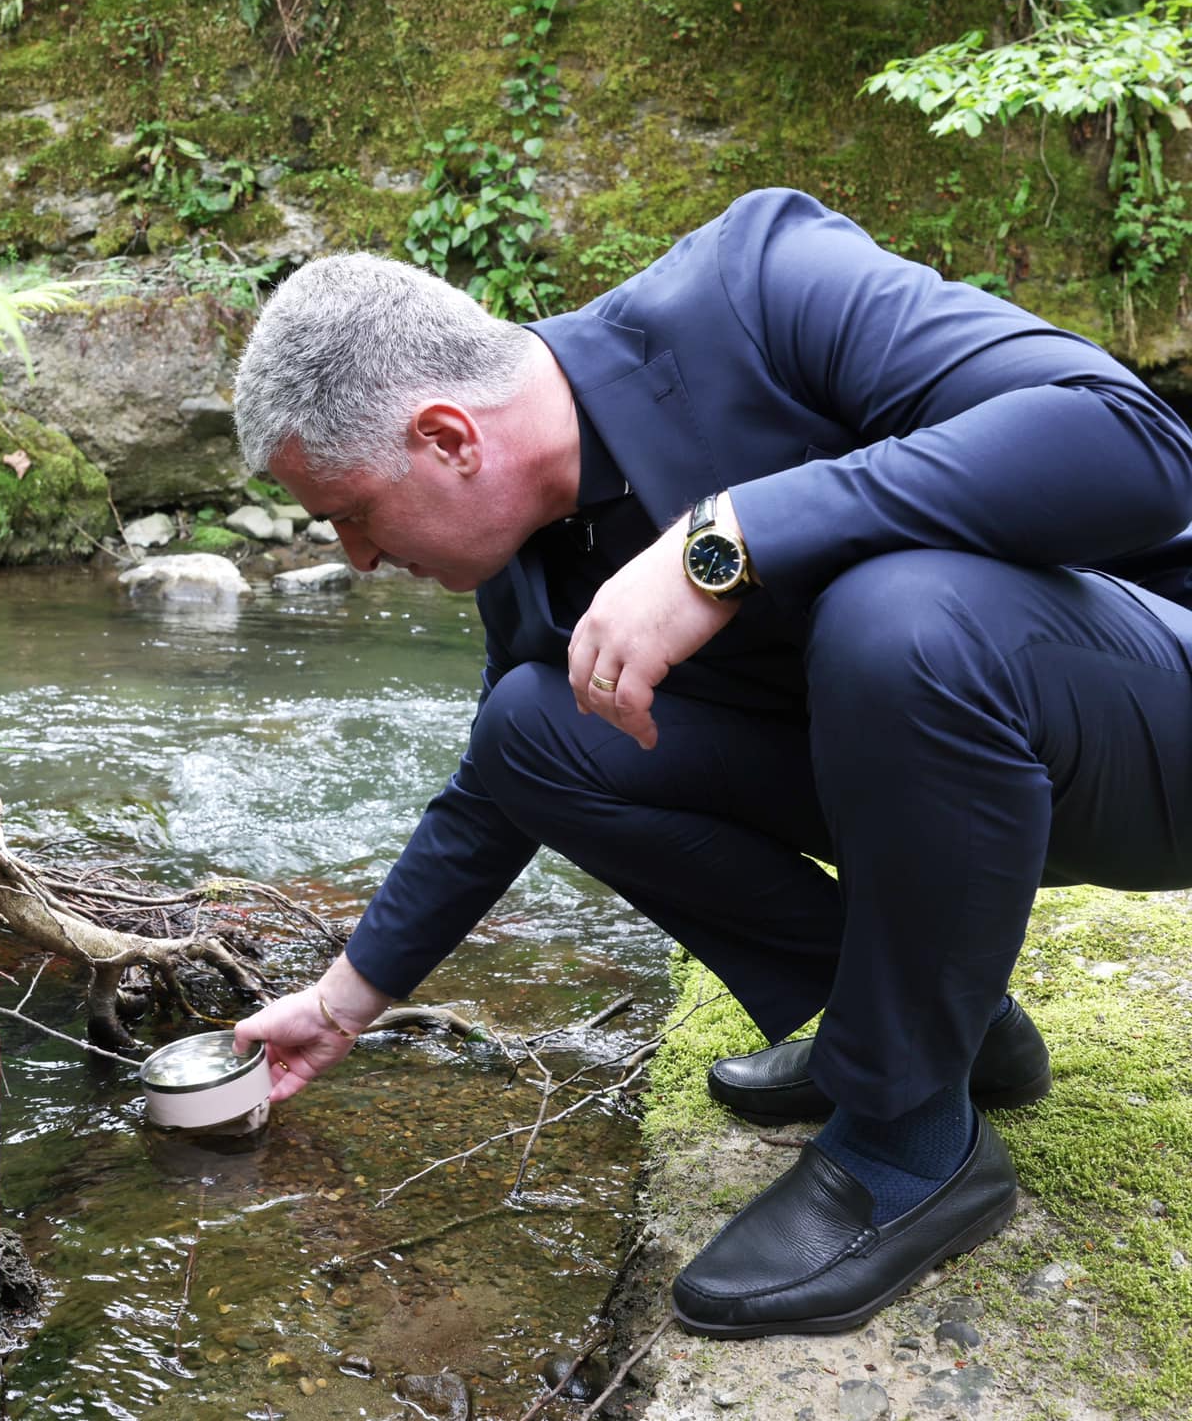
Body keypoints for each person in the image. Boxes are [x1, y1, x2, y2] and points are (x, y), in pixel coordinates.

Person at [228, 187, 1192, 1337]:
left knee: (896, 612)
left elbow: (1133, 440)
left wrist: (724, 542)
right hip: (950, 774)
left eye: (349, 512)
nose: (355, 556)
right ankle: (940, 1026)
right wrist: (342, 1000)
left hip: (1151, 717)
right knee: (533, 728)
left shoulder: (760, 285)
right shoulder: (528, 562)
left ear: (447, 438)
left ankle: (909, 1141)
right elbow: (493, 792)